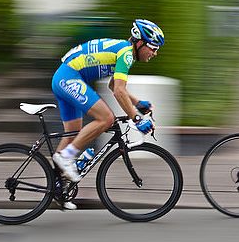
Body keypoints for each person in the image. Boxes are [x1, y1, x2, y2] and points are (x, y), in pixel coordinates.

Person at [51, 19, 164, 209]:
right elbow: (119, 91)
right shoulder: (126, 53)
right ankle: (66, 157)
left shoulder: (124, 51)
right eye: (153, 47)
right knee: (106, 118)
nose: (155, 53)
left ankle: (56, 188)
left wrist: (138, 103)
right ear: (139, 43)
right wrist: (136, 118)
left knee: (73, 132)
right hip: (69, 77)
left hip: (64, 77)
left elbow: (114, 86)